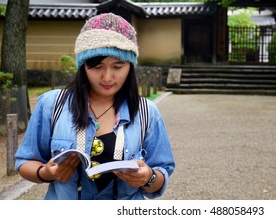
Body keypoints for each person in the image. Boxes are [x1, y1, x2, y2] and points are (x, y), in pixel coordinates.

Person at [14, 13, 175, 200]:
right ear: (83, 66)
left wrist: (148, 177)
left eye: (117, 66)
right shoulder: (52, 105)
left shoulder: (146, 112)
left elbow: (162, 172)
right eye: (97, 67)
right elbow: (26, 161)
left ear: (130, 66)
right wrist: (45, 173)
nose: (107, 77)